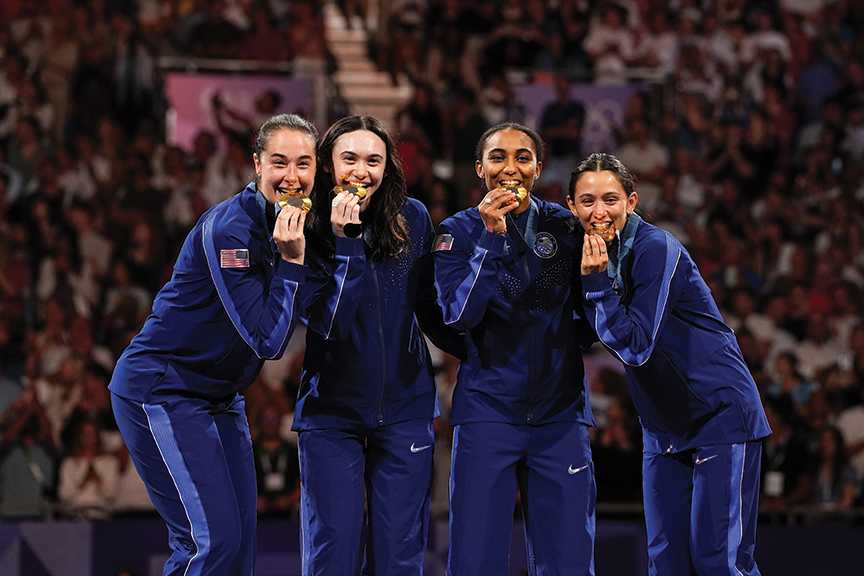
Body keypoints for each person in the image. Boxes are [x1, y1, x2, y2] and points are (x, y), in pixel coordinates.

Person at [108, 113, 315, 575]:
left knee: (239, 547)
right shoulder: (230, 231)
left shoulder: (302, 222)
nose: (292, 176)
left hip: (220, 397)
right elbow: (267, 340)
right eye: (279, 162)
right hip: (160, 389)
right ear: (257, 164)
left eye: (304, 163)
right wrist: (293, 262)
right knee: (209, 543)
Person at [568, 152, 771, 576]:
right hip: (662, 429)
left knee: (720, 561)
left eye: (610, 199)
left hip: (720, 416)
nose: (599, 211)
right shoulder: (587, 253)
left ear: (632, 201)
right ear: (571, 206)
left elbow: (636, 346)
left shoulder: (656, 249)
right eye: (587, 201)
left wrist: (595, 285)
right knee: (667, 563)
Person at [293, 115, 463, 575]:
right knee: (333, 552)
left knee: (400, 557)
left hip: (406, 408)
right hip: (332, 411)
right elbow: (330, 324)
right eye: (349, 158)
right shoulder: (304, 228)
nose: (361, 170)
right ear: (328, 165)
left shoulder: (414, 218)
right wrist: (347, 245)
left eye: (374, 160)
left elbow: (428, 306)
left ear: (388, 168)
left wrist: (471, 350)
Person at [433, 123, 595, 575]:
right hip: (488, 413)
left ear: (539, 168)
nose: (511, 168)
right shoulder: (457, 232)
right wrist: (490, 236)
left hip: (560, 417)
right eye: (499, 157)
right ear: (480, 167)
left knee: (569, 563)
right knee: (475, 561)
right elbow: (459, 316)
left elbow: (593, 318)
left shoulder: (566, 227)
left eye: (523, 157)